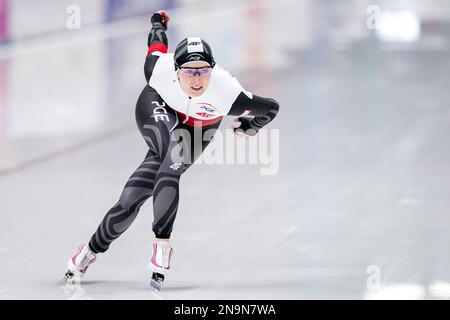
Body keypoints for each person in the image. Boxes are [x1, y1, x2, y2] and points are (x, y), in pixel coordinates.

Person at [64, 10, 279, 290]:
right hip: (158, 106)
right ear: (176, 70)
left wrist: (249, 127)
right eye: (190, 71)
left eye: (203, 71)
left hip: (199, 128)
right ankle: (160, 245)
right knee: (168, 154)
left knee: (132, 198)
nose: (197, 79)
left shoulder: (228, 93)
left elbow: (271, 108)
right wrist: (158, 22)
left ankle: (91, 250)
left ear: (213, 70)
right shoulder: (158, 69)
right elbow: (156, 44)